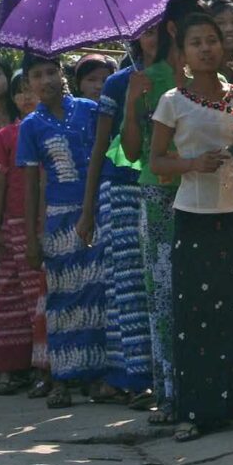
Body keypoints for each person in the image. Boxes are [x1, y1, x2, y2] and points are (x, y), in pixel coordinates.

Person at [150, 13, 233, 442]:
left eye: (212, 39)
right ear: (185, 52)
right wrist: (192, 164)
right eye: (197, 42)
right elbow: (155, 162)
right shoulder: (172, 101)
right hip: (193, 216)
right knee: (195, 316)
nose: (207, 48)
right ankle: (193, 410)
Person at [121, 0, 208, 425]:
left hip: (207, 196)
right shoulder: (147, 79)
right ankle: (170, 392)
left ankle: (205, 385)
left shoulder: (214, 81)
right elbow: (133, 151)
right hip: (159, 196)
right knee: (163, 295)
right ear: (175, 30)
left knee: (202, 291)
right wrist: (131, 105)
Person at [17, 53, 107, 408]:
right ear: (28, 84)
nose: (46, 81)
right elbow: (30, 187)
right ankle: (62, 379)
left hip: (98, 210)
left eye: (51, 72)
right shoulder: (31, 126)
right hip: (58, 218)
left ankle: (100, 376)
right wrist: (31, 237)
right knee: (62, 298)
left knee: (98, 292)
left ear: (62, 74)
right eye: (37, 75)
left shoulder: (88, 109)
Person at [76, 30, 160, 408]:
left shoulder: (184, 76)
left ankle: (163, 373)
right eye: (147, 31)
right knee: (128, 285)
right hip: (123, 186)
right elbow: (100, 145)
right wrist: (87, 207)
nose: (154, 36)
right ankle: (137, 377)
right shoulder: (117, 82)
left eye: (161, 28)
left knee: (159, 282)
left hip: (167, 184)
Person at [0, 70, 36, 395]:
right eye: (19, 91)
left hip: (44, 220)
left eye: (29, 89)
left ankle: (42, 368)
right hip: (14, 222)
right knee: (10, 294)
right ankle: (9, 368)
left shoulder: (49, 128)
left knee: (39, 294)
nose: (25, 97)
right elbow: (0, 183)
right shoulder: (5, 135)